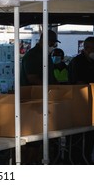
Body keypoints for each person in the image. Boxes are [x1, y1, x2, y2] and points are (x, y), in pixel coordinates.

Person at [20, 29, 59, 164]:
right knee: (33, 141)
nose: (53, 46)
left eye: (55, 44)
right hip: (32, 102)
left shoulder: (46, 55)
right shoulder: (32, 56)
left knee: (43, 139)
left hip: (45, 100)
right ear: (44, 41)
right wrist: (51, 88)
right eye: (52, 43)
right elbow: (32, 78)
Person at [68, 36, 94, 164]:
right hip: (79, 103)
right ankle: (75, 160)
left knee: (90, 134)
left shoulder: (93, 63)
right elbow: (78, 82)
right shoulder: (77, 62)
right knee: (77, 135)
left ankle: (87, 157)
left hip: (93, 104)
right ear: (86, 48)